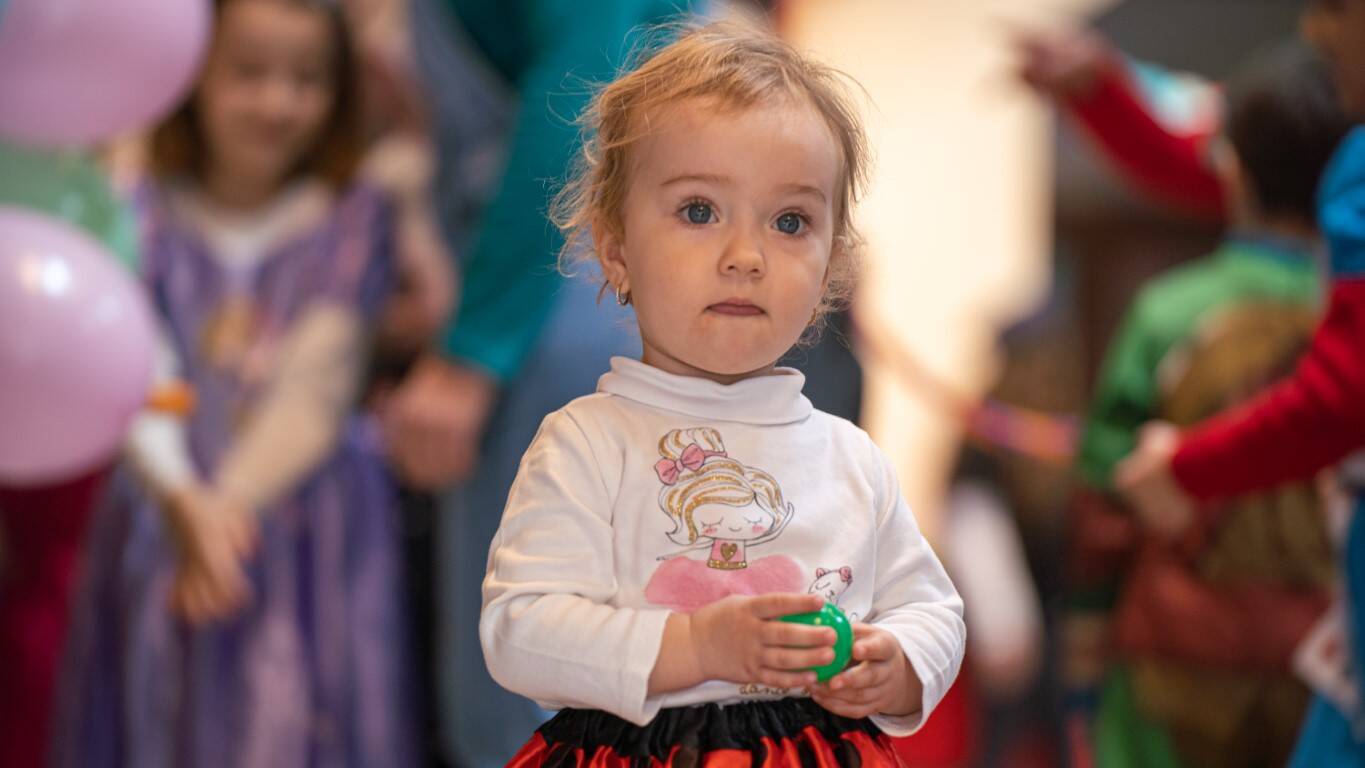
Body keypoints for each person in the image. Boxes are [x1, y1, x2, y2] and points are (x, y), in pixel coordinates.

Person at [478, 23, 965, 765]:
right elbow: (521, 633)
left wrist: (895, 664)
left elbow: (932, 608)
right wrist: (696, 644)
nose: (745, 257)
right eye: (699, 211)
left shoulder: (850, 457)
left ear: (831, 265)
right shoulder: (585, 443)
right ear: (615, 248)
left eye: (790, 221)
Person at [52, 1, 418, 765]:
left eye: (306, 78)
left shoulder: (350, 217)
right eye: (247, 73)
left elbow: (316, 389)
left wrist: (224, 508)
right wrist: (182, 497)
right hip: (163, 513)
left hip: (309, 531)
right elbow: (130, 364)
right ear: (191, 76)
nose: (277, 102)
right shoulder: (138, 211)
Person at [1062, 41, 1351, 768]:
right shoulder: (1341, 313)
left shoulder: (1169, 311)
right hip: (1327, 654)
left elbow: (1105, 499)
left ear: (1229, 165)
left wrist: (1083, 652)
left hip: (1175, 658)